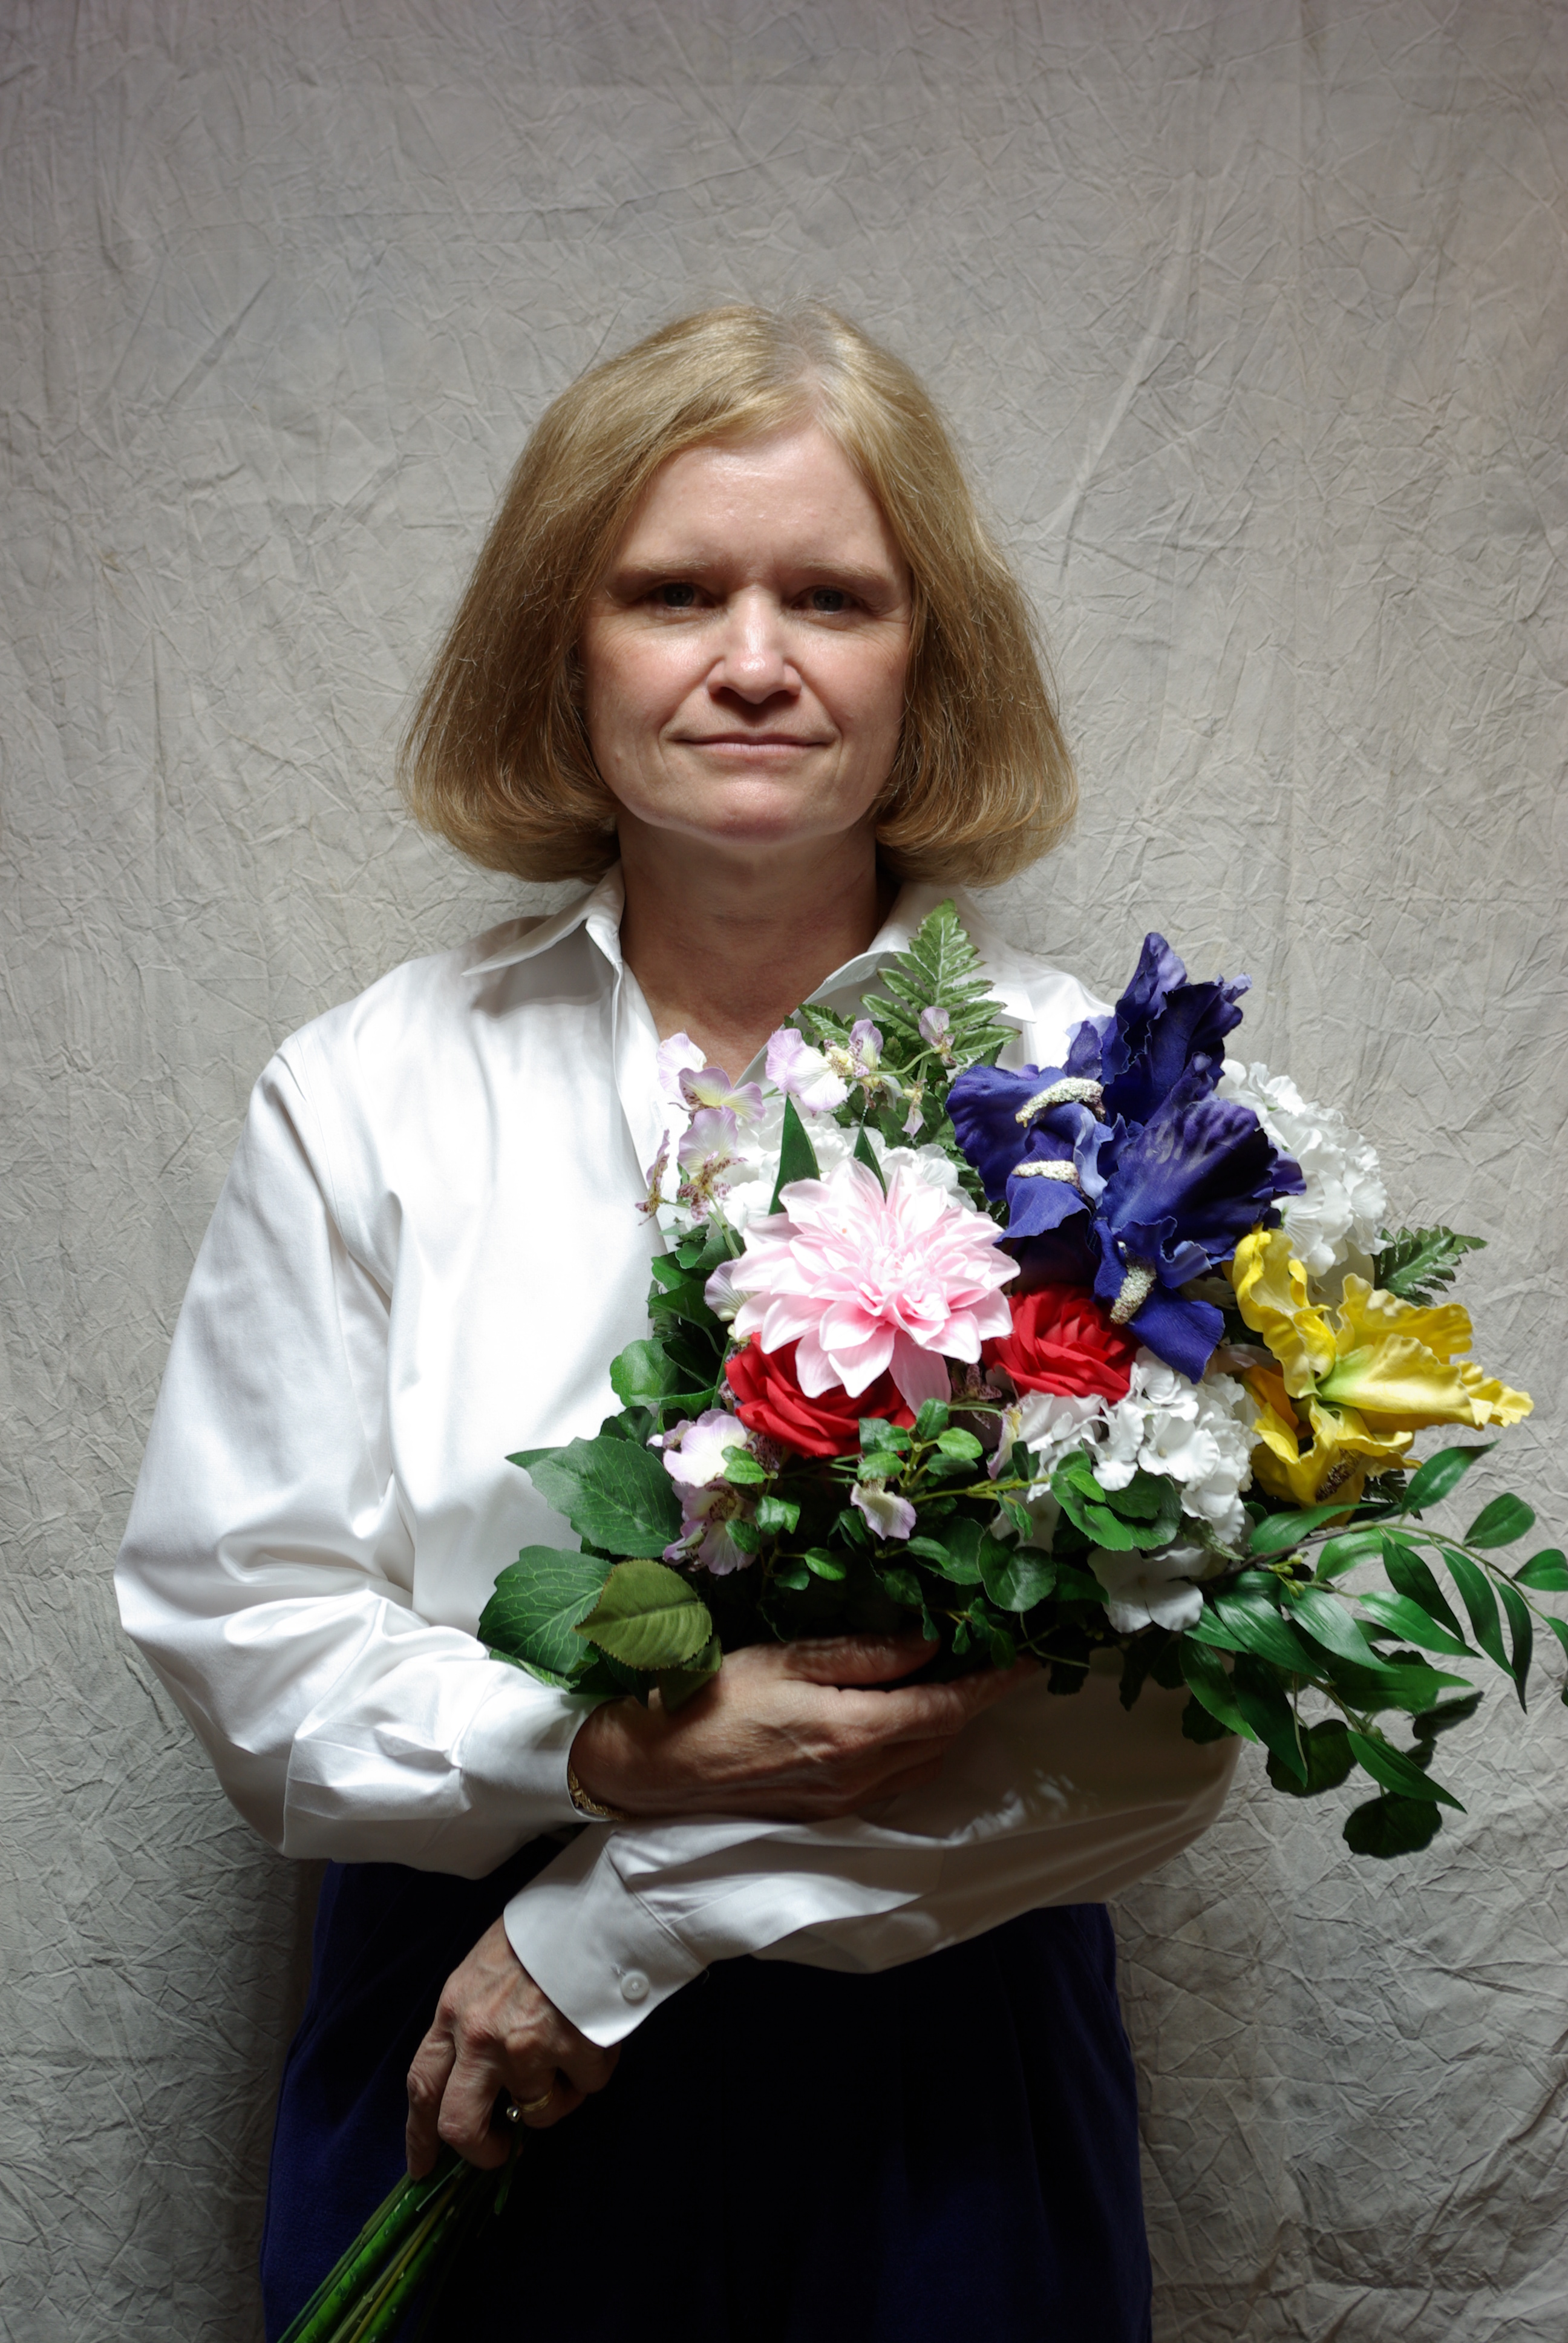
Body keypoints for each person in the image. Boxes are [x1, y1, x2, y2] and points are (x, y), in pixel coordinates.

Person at [116, 303, 1237, 2342]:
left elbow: (1158, 1730)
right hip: (460, 2063)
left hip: (944, 2092)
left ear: (929, 660)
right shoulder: (371, 1087)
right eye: (671, 592)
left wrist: (620, 1919)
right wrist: (595, 1744)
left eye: (834, 597)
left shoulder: (1106, 1106)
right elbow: (241, 1624)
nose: (753, 658)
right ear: (565, 647)